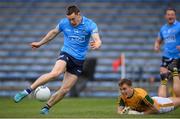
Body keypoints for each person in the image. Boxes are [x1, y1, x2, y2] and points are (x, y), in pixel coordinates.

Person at [13, 5, 102, 115]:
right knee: (55, 73)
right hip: (66, 53)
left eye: (73, 19)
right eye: (69, 19)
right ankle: (26, 91)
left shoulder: (90, 24)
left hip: (78, 61)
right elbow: (53, 32)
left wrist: (97, 43)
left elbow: (97, 38)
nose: (71, 22)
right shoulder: (64, 23)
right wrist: (40, 43)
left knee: (65, 90)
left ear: (79, 14)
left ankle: (46, 107)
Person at [154, 7, 180, 97]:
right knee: (163, 79)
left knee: (177, 80)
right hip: (166, 57)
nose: (170, 16)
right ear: (165, 16)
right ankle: (163, 103)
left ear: (175, 16)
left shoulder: (179, 26)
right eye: (168, 14)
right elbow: (159, 40)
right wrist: (157, 45)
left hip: (178, 57)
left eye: (172, 14)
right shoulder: (163, 28)